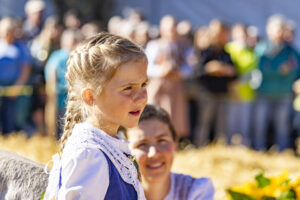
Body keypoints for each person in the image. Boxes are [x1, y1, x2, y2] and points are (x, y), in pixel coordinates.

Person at [44, 32, 148, 199]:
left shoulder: (110, 144)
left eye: (144, 84)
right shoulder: (89, 155)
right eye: (128, 88)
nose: (142, 97)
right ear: (90, 97)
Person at [124, 104, 215, 200]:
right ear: (126, 151)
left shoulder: (196, 190)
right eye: (142, 144)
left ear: (175, 144)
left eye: (162, 141)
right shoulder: (116, 193)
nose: (153, 153)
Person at [253, 15, 300, 151]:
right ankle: (258, 149)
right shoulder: (262, 48)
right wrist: (280, 70)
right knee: (260, 124)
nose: (280, 33)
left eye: (282, 29)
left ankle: (282, 150)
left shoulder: (291, 51)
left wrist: (286, 72)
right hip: (264, 92)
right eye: (277, 29)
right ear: (269, 30)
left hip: (284, 93)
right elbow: (261, 68)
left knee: (283, 125)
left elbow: (296, 69)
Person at [0, 17, 32, 134]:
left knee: (12, 116)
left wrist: (17, 86)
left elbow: (25, 69)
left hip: (14, 87)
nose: (8, 35)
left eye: (10, 31)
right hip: (1, 86)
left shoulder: (21, 48)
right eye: (6, 32)